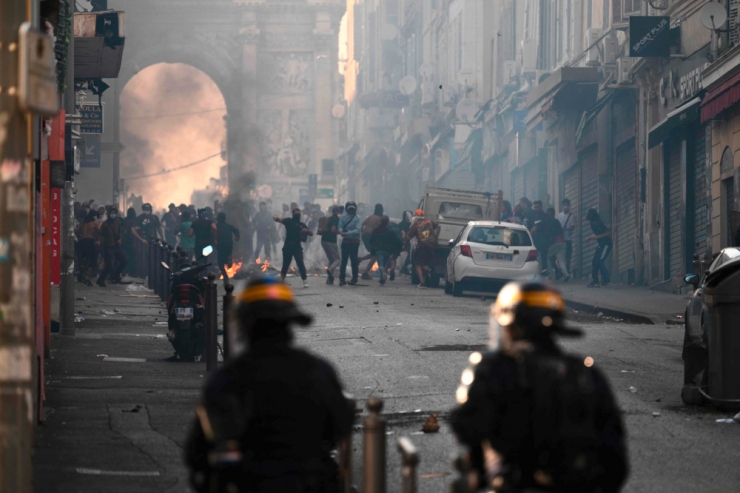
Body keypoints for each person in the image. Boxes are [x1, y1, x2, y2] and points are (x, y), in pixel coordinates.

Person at [451, 281, 628, 493]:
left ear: (509, 322)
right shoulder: (586, 373)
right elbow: (616, 461)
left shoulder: (496, 368)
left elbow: (467, 428)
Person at [184, 276, 354, 493]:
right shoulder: (318, 371)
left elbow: (197, 452)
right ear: (289, 323)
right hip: (310, 482)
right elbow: (340, 426)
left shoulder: (228, 379)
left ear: (245, 324)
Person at [274, 207, 312, 288]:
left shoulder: (302, 225)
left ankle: (304, 280)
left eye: (298, 214)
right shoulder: (289, 221)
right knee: (286, 264)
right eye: (296, 213)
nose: (297, 215)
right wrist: (276, 218)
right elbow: (280, 220)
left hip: (297, 247)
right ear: (293, 214)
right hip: (288, 246)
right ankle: (282, 280)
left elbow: (311, 233)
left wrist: (307, 231)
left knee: (300, 263)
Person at [404, 209, 440, 288]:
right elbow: (438, 226)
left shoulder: (415, 224)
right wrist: (436, 238)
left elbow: (409, 237)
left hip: (421, 246)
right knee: (425, 263)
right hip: (431, 246)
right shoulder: (429, 221)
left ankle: (422, 283)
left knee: (417, 264)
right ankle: (429, 270)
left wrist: (404, 246)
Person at [97, 206, 127, 287]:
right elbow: (100, 234)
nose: (113, 214)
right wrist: (99, 241)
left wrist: (120, 239)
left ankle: (116, 276)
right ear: (109, 214)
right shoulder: (105, 224)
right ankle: (100, 280)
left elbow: (120, 232)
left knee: (124, 261)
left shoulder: (117, 222)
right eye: (111, 213)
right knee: (109, 265)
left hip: (116, 246)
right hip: (108, 246)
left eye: (114, 213)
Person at [369, 216, 403, 285]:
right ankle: (383, 277)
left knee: (381, 264)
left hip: (378, 250)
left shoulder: (376, 231)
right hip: (388, 251)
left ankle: (383, 274)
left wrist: (374, 247)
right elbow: (397, 241)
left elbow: (371, 240)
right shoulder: (390, 232)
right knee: (386, 263)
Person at [586, 208, 612, 288]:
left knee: (600, 261)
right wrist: (590, 238)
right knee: (594, 261)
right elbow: (596, 235)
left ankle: (607, 279)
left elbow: (607, 233)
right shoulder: (592, 223)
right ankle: (595, 281)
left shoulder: (599, 222)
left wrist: (596, 237)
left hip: (606, 244)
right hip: (601, 244)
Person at [542, 207, 570, 281]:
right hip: (562, 241)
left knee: (547, 257)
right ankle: (566, 274)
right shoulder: (557, 221)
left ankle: (551, 274)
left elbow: (548, 234)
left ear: (549, 213)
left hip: (555, 242)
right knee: (561, 260)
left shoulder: (549, 221)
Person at [338, 201, 362, 286]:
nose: (351, 211)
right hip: (346, 241)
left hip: (354, 242)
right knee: (344, 260)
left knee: (354, 260)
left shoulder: (358, 218)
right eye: (350, 209)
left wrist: (347, 233)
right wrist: (341, 232)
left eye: (353, 209)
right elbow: (340, 227)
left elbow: (358, 230)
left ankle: (354, 279)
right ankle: (342, 279)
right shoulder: (343, 217)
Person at [75, 209, 100, 286]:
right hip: (90, 241)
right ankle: (87, 277)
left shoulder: (83, 222)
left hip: (82, 241)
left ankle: (81, 274)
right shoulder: (95, 223)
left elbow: (75, 230)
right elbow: (100, 231)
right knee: (92, 260)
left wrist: (80, 236)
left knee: (83, 259)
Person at [360, 203, 384, 280]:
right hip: (370, 237)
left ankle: (360, 259)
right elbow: (379, 229)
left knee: (374, 253)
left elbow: (362, 224)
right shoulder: (379, 218)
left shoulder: (370, 216)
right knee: (375, 255)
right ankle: (365, 272)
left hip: (365, 236)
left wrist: (362, 232)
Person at [216, 212, 241, 285]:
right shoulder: (228, 226)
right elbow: (236, 230)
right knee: (225, 260)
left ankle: (225, 276)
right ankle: (228, 262)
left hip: (221, 246)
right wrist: (237, 237)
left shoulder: (216, 226)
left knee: (220, 263)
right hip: (228, 246)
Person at [122, 207, 147, 278]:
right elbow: (133, 231)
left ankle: (126, 271)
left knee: (126, 256)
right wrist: (141, 239)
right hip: (131, 241)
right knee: (133, 256)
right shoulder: (133, 221)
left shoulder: (125, 220)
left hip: (124, 241)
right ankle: (131, 271)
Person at [321, 205, 342, 284]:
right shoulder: (335, 219)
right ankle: (330, 269)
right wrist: (340, 232)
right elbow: (333, 230)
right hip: (331, 240)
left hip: (324, 240)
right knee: (338, 259)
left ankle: (329, 279)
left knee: (331, 260)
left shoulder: (329, 218)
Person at [557, 198, 576, 275]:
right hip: (560, 239)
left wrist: (565, 229)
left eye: (567, 205)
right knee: (561, 256)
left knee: (568, 256)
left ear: (569, 205)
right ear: (562, 205)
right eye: (564, 205)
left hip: (568, 239)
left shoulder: (572, 216)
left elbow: (573, 227)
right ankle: (562, 271)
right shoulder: (559, 215)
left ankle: (567, 270)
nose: (566, 206)